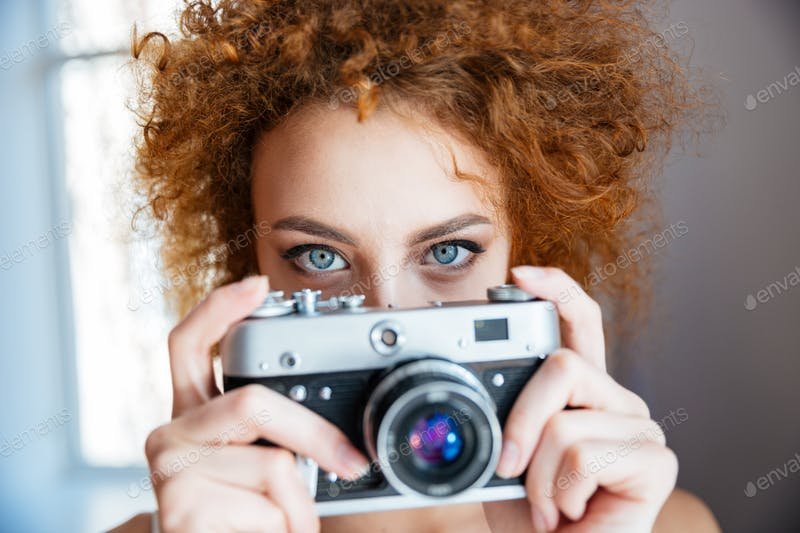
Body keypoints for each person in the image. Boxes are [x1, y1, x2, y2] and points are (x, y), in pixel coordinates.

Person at [112, 1, 720, 531]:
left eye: (448, 253)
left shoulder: (661, 524)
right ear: (253, 273)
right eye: (320, 258)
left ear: (525, 257)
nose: (389, 320)